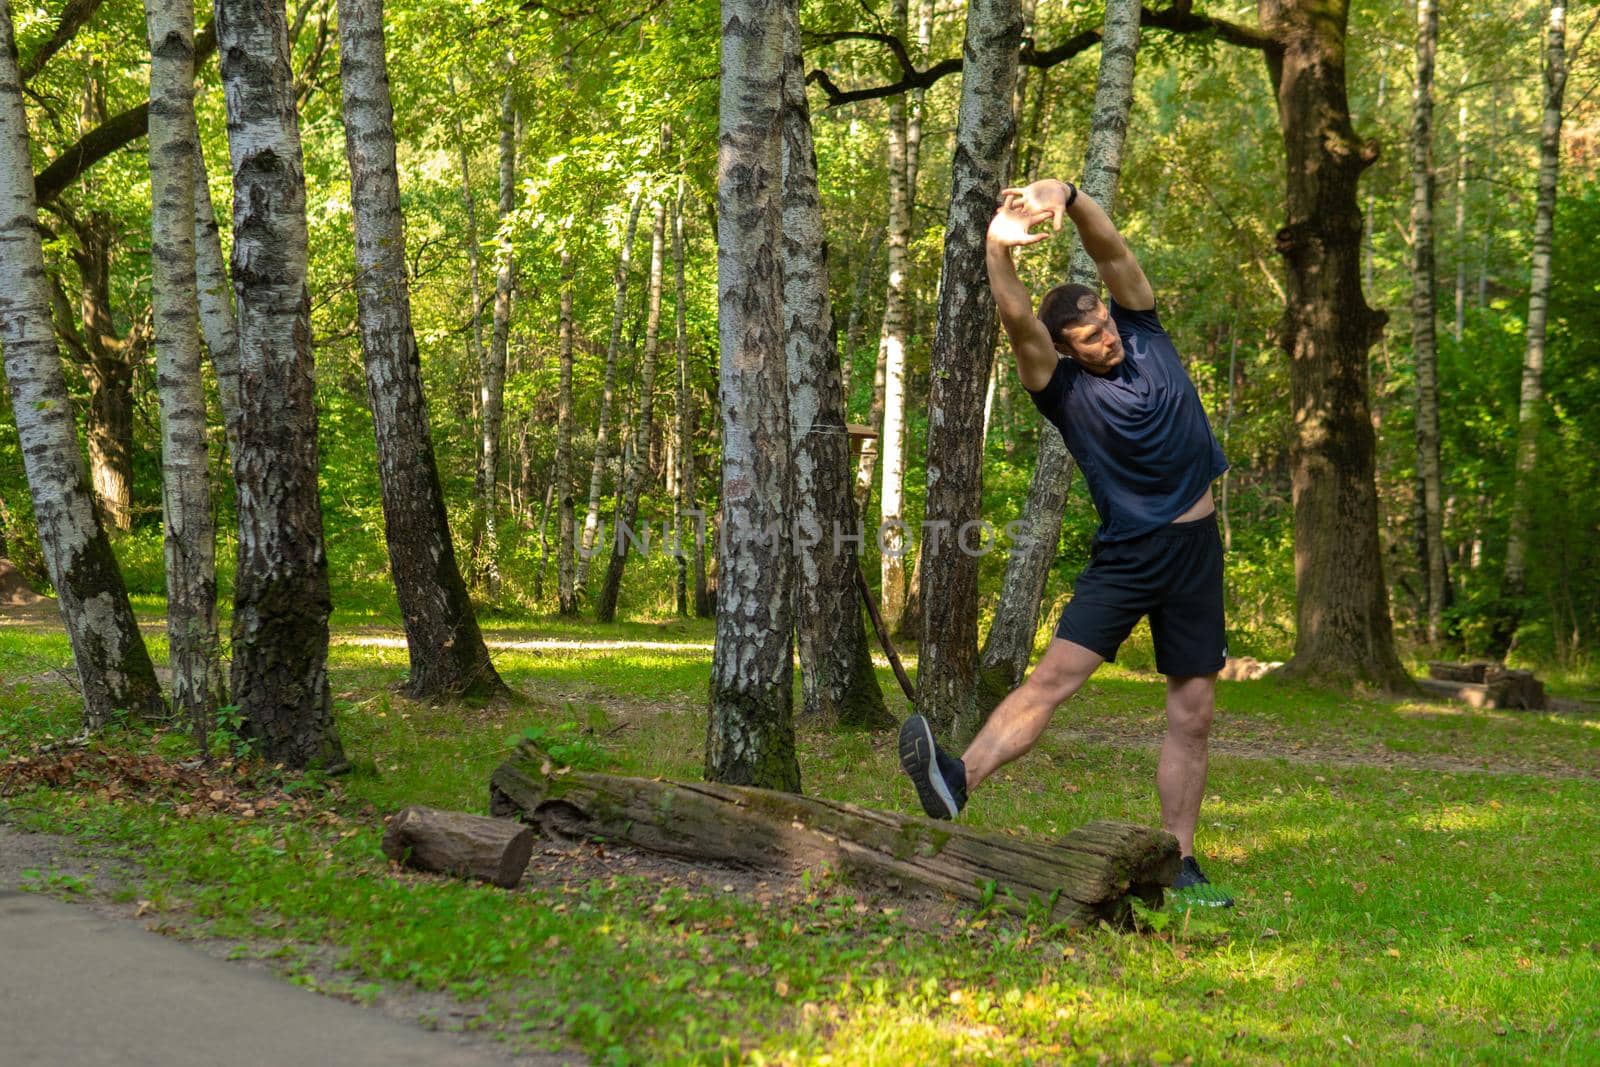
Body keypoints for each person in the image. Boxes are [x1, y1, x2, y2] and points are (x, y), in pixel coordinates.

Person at [898, 177, 1234, 908]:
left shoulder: (1142, 326)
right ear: (1065, 351)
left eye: (1106, 327)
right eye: (1092, 338)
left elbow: (1112, 253)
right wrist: (997, 246)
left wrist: (1067, 194)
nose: (1108, 339)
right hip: (1130, 556)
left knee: (1193, 710)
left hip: (1197, 550)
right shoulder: (1061, 386)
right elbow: (1017, 317)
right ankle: (956, 781)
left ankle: (1179, 863)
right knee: (1052, 681)